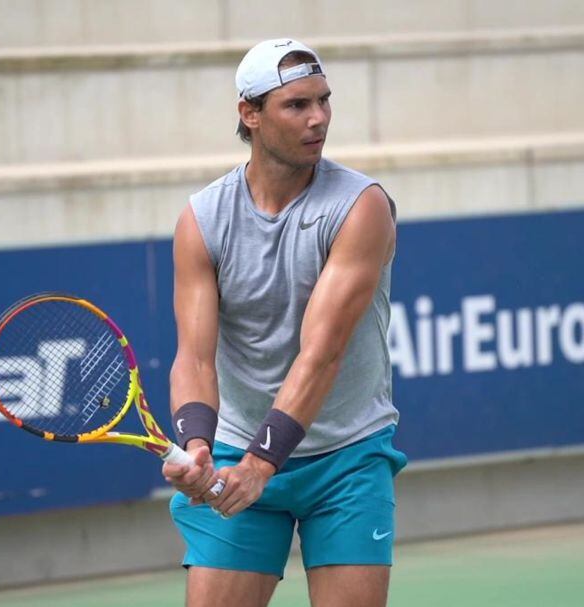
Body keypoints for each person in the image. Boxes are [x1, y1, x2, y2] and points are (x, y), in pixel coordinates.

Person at [162, 38, 405, 607]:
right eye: (297, 105)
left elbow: (320, 354)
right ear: (250, 113)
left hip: (347, 457)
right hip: (236, 449)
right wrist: (197, 443)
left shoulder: (359, 205)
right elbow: (195, 357)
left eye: (324, 101)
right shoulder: (202, 219)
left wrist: (262, 462)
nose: (318, 117)